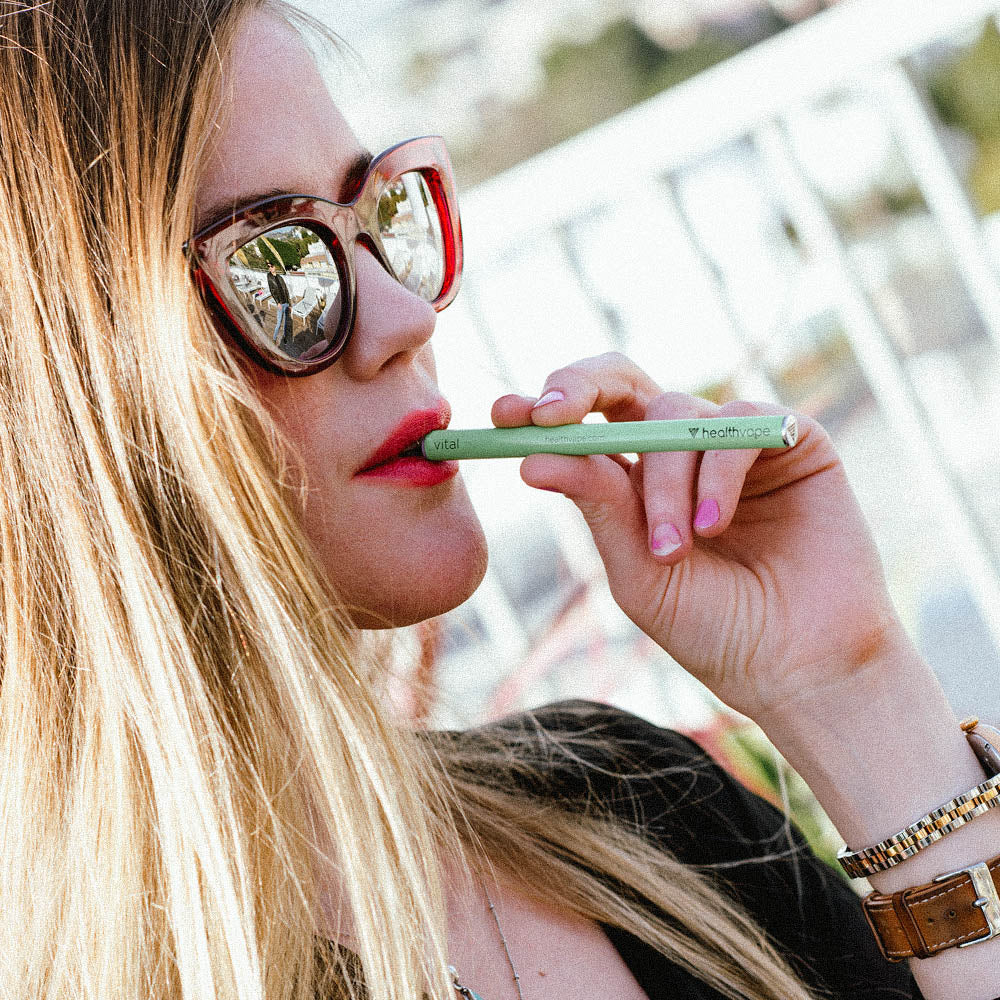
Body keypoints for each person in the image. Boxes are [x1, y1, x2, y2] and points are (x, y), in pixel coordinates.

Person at [0, 2, 997, 999]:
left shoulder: (632, 812)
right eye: (278, 264)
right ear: (65, 405)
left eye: (382, 217)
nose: (402, 318)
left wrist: (853, 695)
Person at [267, 260, 293, 344]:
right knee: (278, 322)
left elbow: (285, 290)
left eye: (271, 266)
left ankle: (285, 337)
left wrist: (290, 303)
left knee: (285, 322)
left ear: (275, 267)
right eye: (269, 267)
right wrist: (277, 302)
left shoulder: (280, 277)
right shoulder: (269, 277)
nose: (270, 268)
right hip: (280, 303)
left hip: (286, 302)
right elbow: (272, 291)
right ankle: (274, 338)